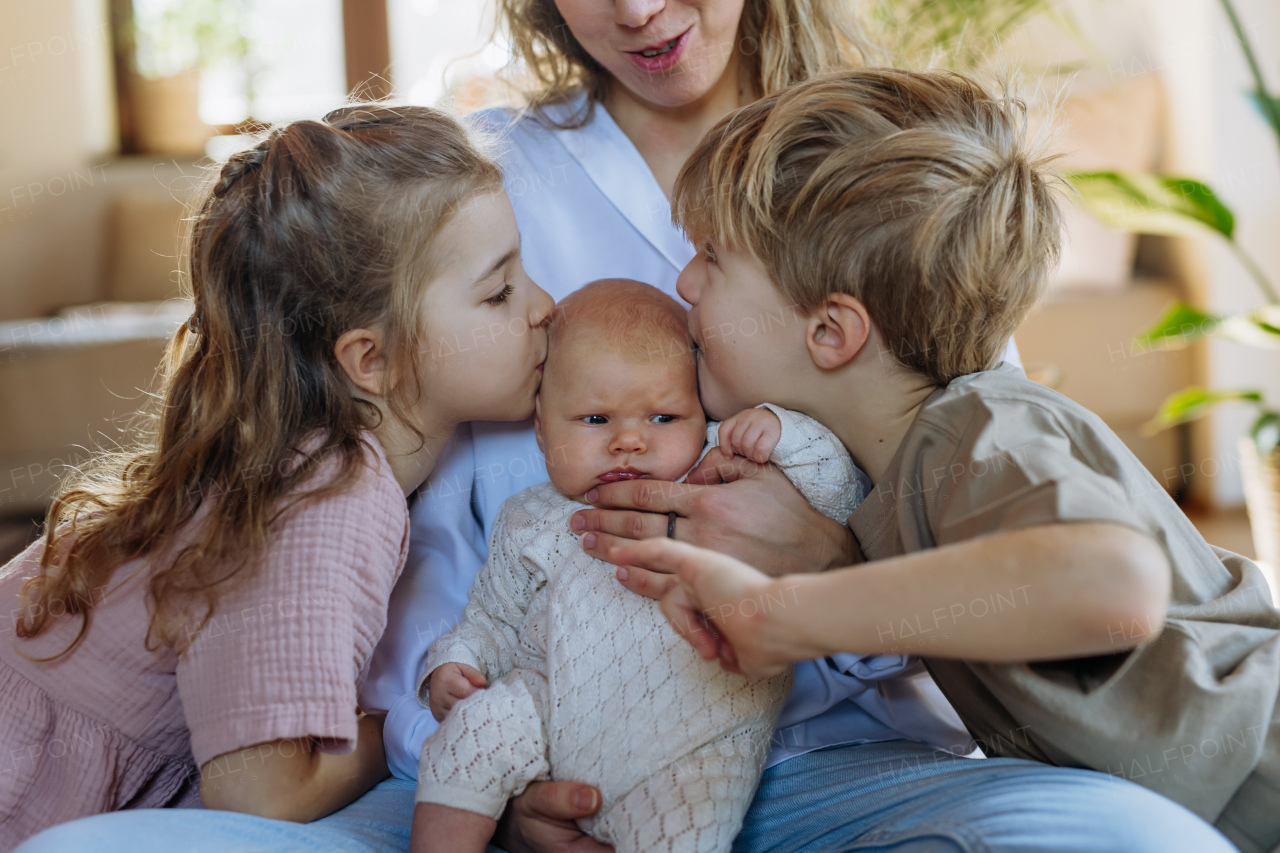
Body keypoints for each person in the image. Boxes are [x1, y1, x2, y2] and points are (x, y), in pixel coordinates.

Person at [364, 4, 986, 851]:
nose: (639, 9)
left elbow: (993, 538)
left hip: (865, 759)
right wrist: (496, 782)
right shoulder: (477, 190)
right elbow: (414, 559)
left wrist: (837, 572)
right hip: (554, 756)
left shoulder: (901, 166)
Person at [604, 68, 1252, 853]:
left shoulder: (975, 428)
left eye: (712, 256)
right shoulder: (891, 461)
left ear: (831, 333)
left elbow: (1117, 581)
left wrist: (789, 616)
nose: (683, 280)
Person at [11, 106, 554, 852]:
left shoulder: (297, 452)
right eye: (500, 293)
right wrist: (392, 729)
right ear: (372, 360)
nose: (544, 307)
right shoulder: (334, 490)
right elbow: (261, 789)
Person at [412, 279, 866, 853]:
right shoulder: (530, 517)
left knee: (686, 831)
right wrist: (454, 665)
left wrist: (784, 432)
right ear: (541, 428)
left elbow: (838, 499)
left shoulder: (720, 485)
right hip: (544, 710)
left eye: (663, 417)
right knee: (469, 737)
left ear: (701, 416)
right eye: (596, 420)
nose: (629, 441)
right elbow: (492, 618)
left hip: (701, 739)